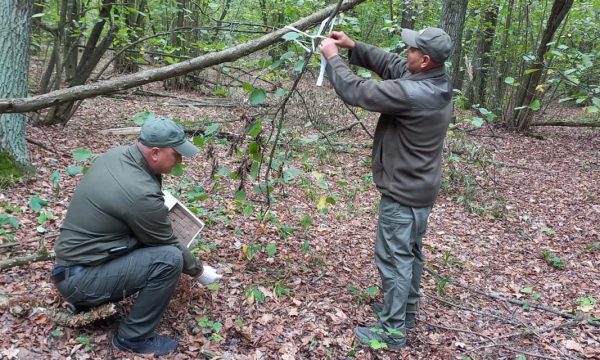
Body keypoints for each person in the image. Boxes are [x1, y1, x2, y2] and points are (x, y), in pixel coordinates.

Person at [319, 27, 452, 349]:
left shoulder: (413, 94)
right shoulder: (436, 81)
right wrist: (354, 46)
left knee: (394, 261)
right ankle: (404, 311)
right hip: (420, 190)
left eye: (412, 51)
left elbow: (358, 92)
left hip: (403, 195)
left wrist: (333, 59)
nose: (406, 53)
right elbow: (394, 65)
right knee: (410, 255)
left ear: (426, 60)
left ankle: (392, 331)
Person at [52, 117, 211, 356]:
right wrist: (199, 271)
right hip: (80, 279)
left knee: (153, 244)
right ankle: (132, 339)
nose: (180, 159)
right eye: (176, 153)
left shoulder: (118, 156)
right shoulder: (139, 192)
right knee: (169, 259)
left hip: (73, 267)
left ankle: (86, 302)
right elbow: (165, 241)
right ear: (155, 152)